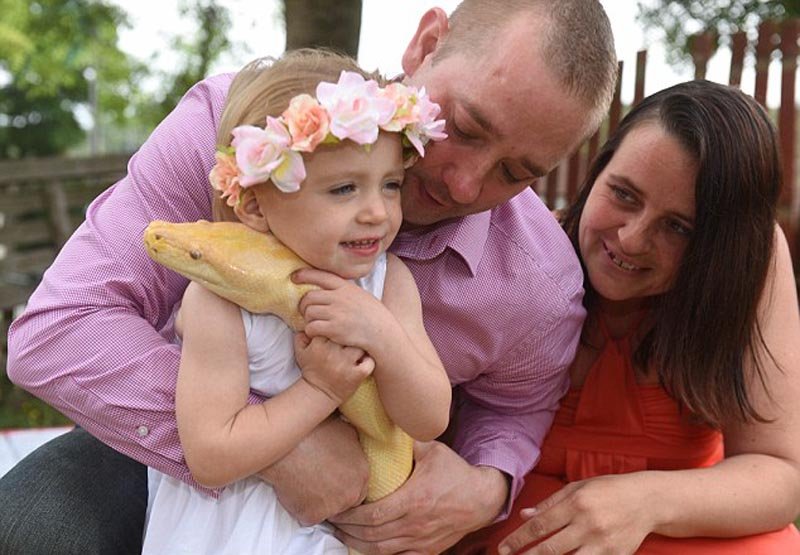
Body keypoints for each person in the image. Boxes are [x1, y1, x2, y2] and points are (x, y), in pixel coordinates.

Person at [2, 1, 618, 553]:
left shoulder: (538, 279)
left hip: (367, 511)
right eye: (465, 127)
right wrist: (281, 449)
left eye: (515, 172)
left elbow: (516, 409)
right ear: (426, 44)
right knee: (34, 527)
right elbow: (60, 328)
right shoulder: (245, 134)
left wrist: (485, 489)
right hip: (172, 451)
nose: (463, 183)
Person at [451, 80, 800, 555]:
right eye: (624, 195)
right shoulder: (520, 254)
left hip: (686, 520)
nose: (632, 239)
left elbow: (778, 472)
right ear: (598, 169)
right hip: (528, 529)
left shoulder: (752, 266)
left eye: (678, 227)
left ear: (722, 250)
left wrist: (644, 500)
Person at [141, 50, 451, 554]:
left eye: (391, 185)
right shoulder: (219, 302)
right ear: (256, 206)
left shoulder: (388, 282)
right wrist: (322, 389)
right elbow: (211, 455)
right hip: (240, 529)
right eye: (344, 188)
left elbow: (430, 418)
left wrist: (382, 334)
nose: (377, 212)